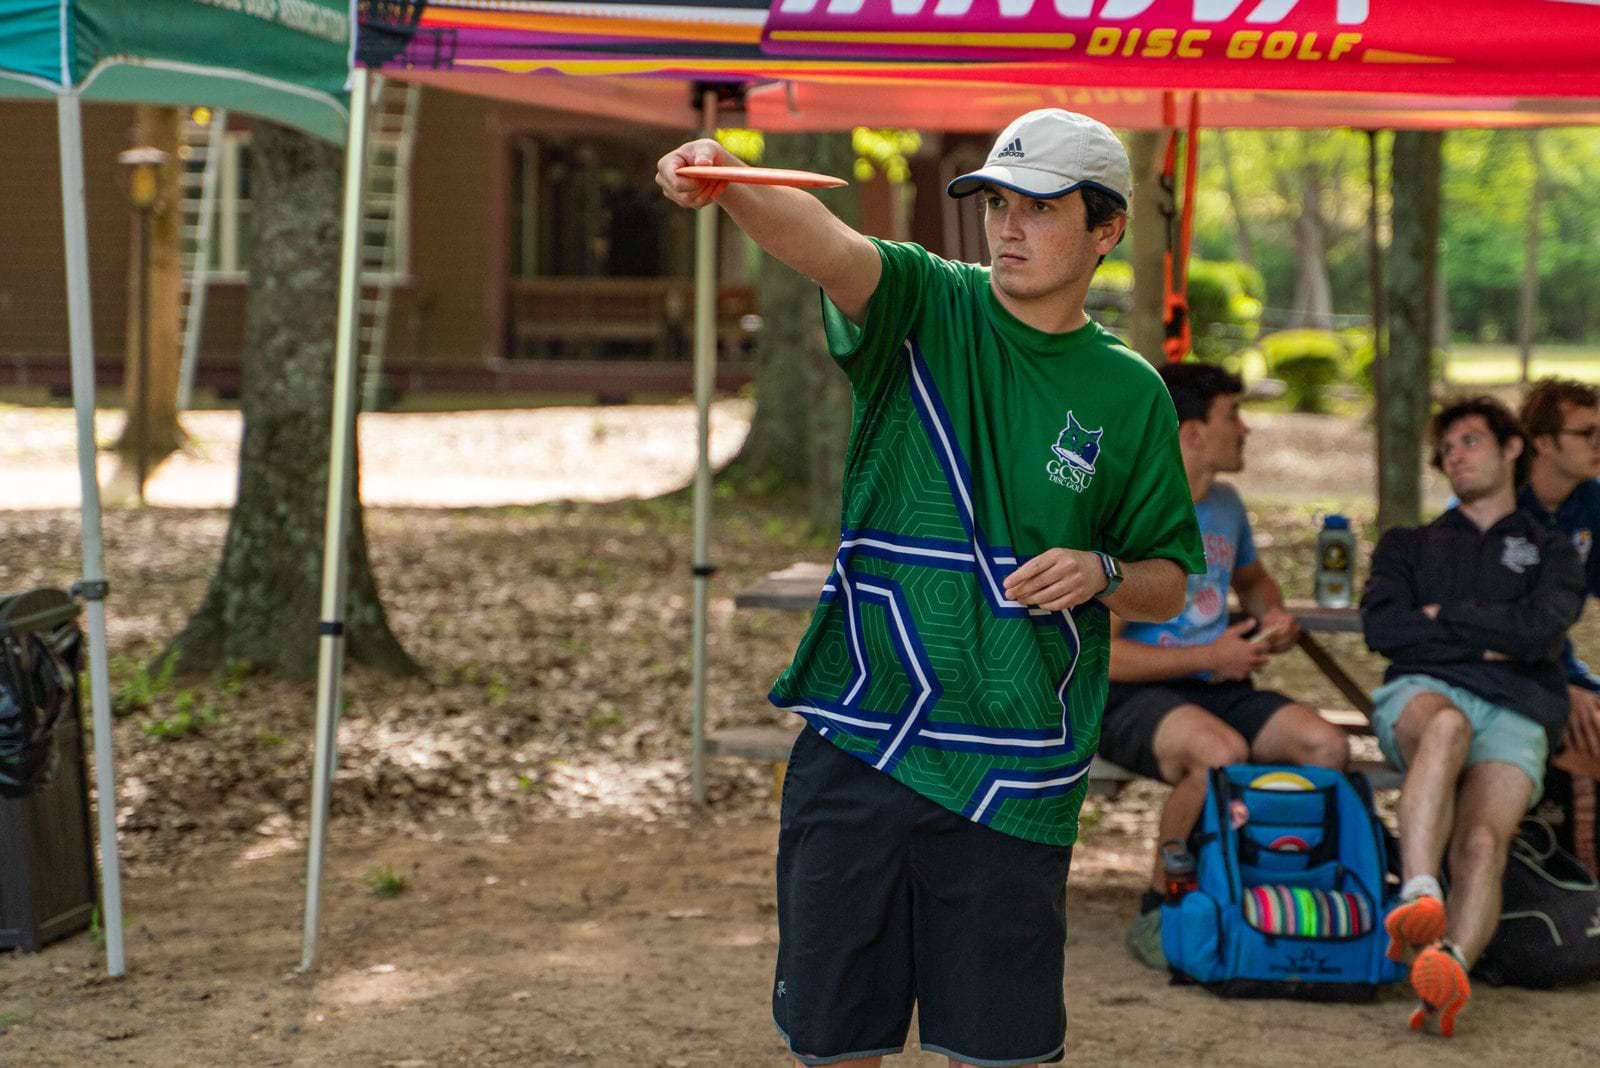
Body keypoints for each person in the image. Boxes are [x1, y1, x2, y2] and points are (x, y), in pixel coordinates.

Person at [658, 109, 1206, 1068]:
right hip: (863, 739)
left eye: (1039, 208)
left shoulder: (1130, 394)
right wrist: (729, 177)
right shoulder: (926, 303)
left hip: (1014, 772)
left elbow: (1166, 586)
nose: (1007, 228)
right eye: (995, 203)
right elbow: (825, 246)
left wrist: (1103, 571)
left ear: (1107, 228)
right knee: (836, 1045)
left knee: (996, 1053)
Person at [1098, 362, 1350, 968]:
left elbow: (1253, 581)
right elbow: (1103, 655)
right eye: (1232, 414)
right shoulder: (1129, 511)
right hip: (1130, 695)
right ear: (1192, 433)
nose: (1246, 428)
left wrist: (1274, 618)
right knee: (1221, 755)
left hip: (1216, 684)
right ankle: (1162, 906)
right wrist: (1210, 654)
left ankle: (1271, 888)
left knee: (1326, 747)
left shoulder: (1227, 505)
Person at [1360, 396, 1584, 1038]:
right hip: (1426, 693)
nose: (1454, 456)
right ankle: (1420, 894)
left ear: (1512, 449)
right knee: (1447, 726)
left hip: (1519, 707)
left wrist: (1442, 618)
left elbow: (1540, 632)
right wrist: (1491, 635)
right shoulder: (1409, 544)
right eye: (1447, 448)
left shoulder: (1553, 550)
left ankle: (1449, 968)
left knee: (1484, 842)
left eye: (1470, 441)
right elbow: (1384, 628)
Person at [1518, 379, 1600, 870]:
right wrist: (1558, 688)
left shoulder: (1589, 501)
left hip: (1561, 669)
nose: (1598, 444)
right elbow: (1485, 631)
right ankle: (1579, 884)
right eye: (1586, 433)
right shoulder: (1498, 504)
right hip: (1498, 677)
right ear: (1543, 443)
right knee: (1587, 739)